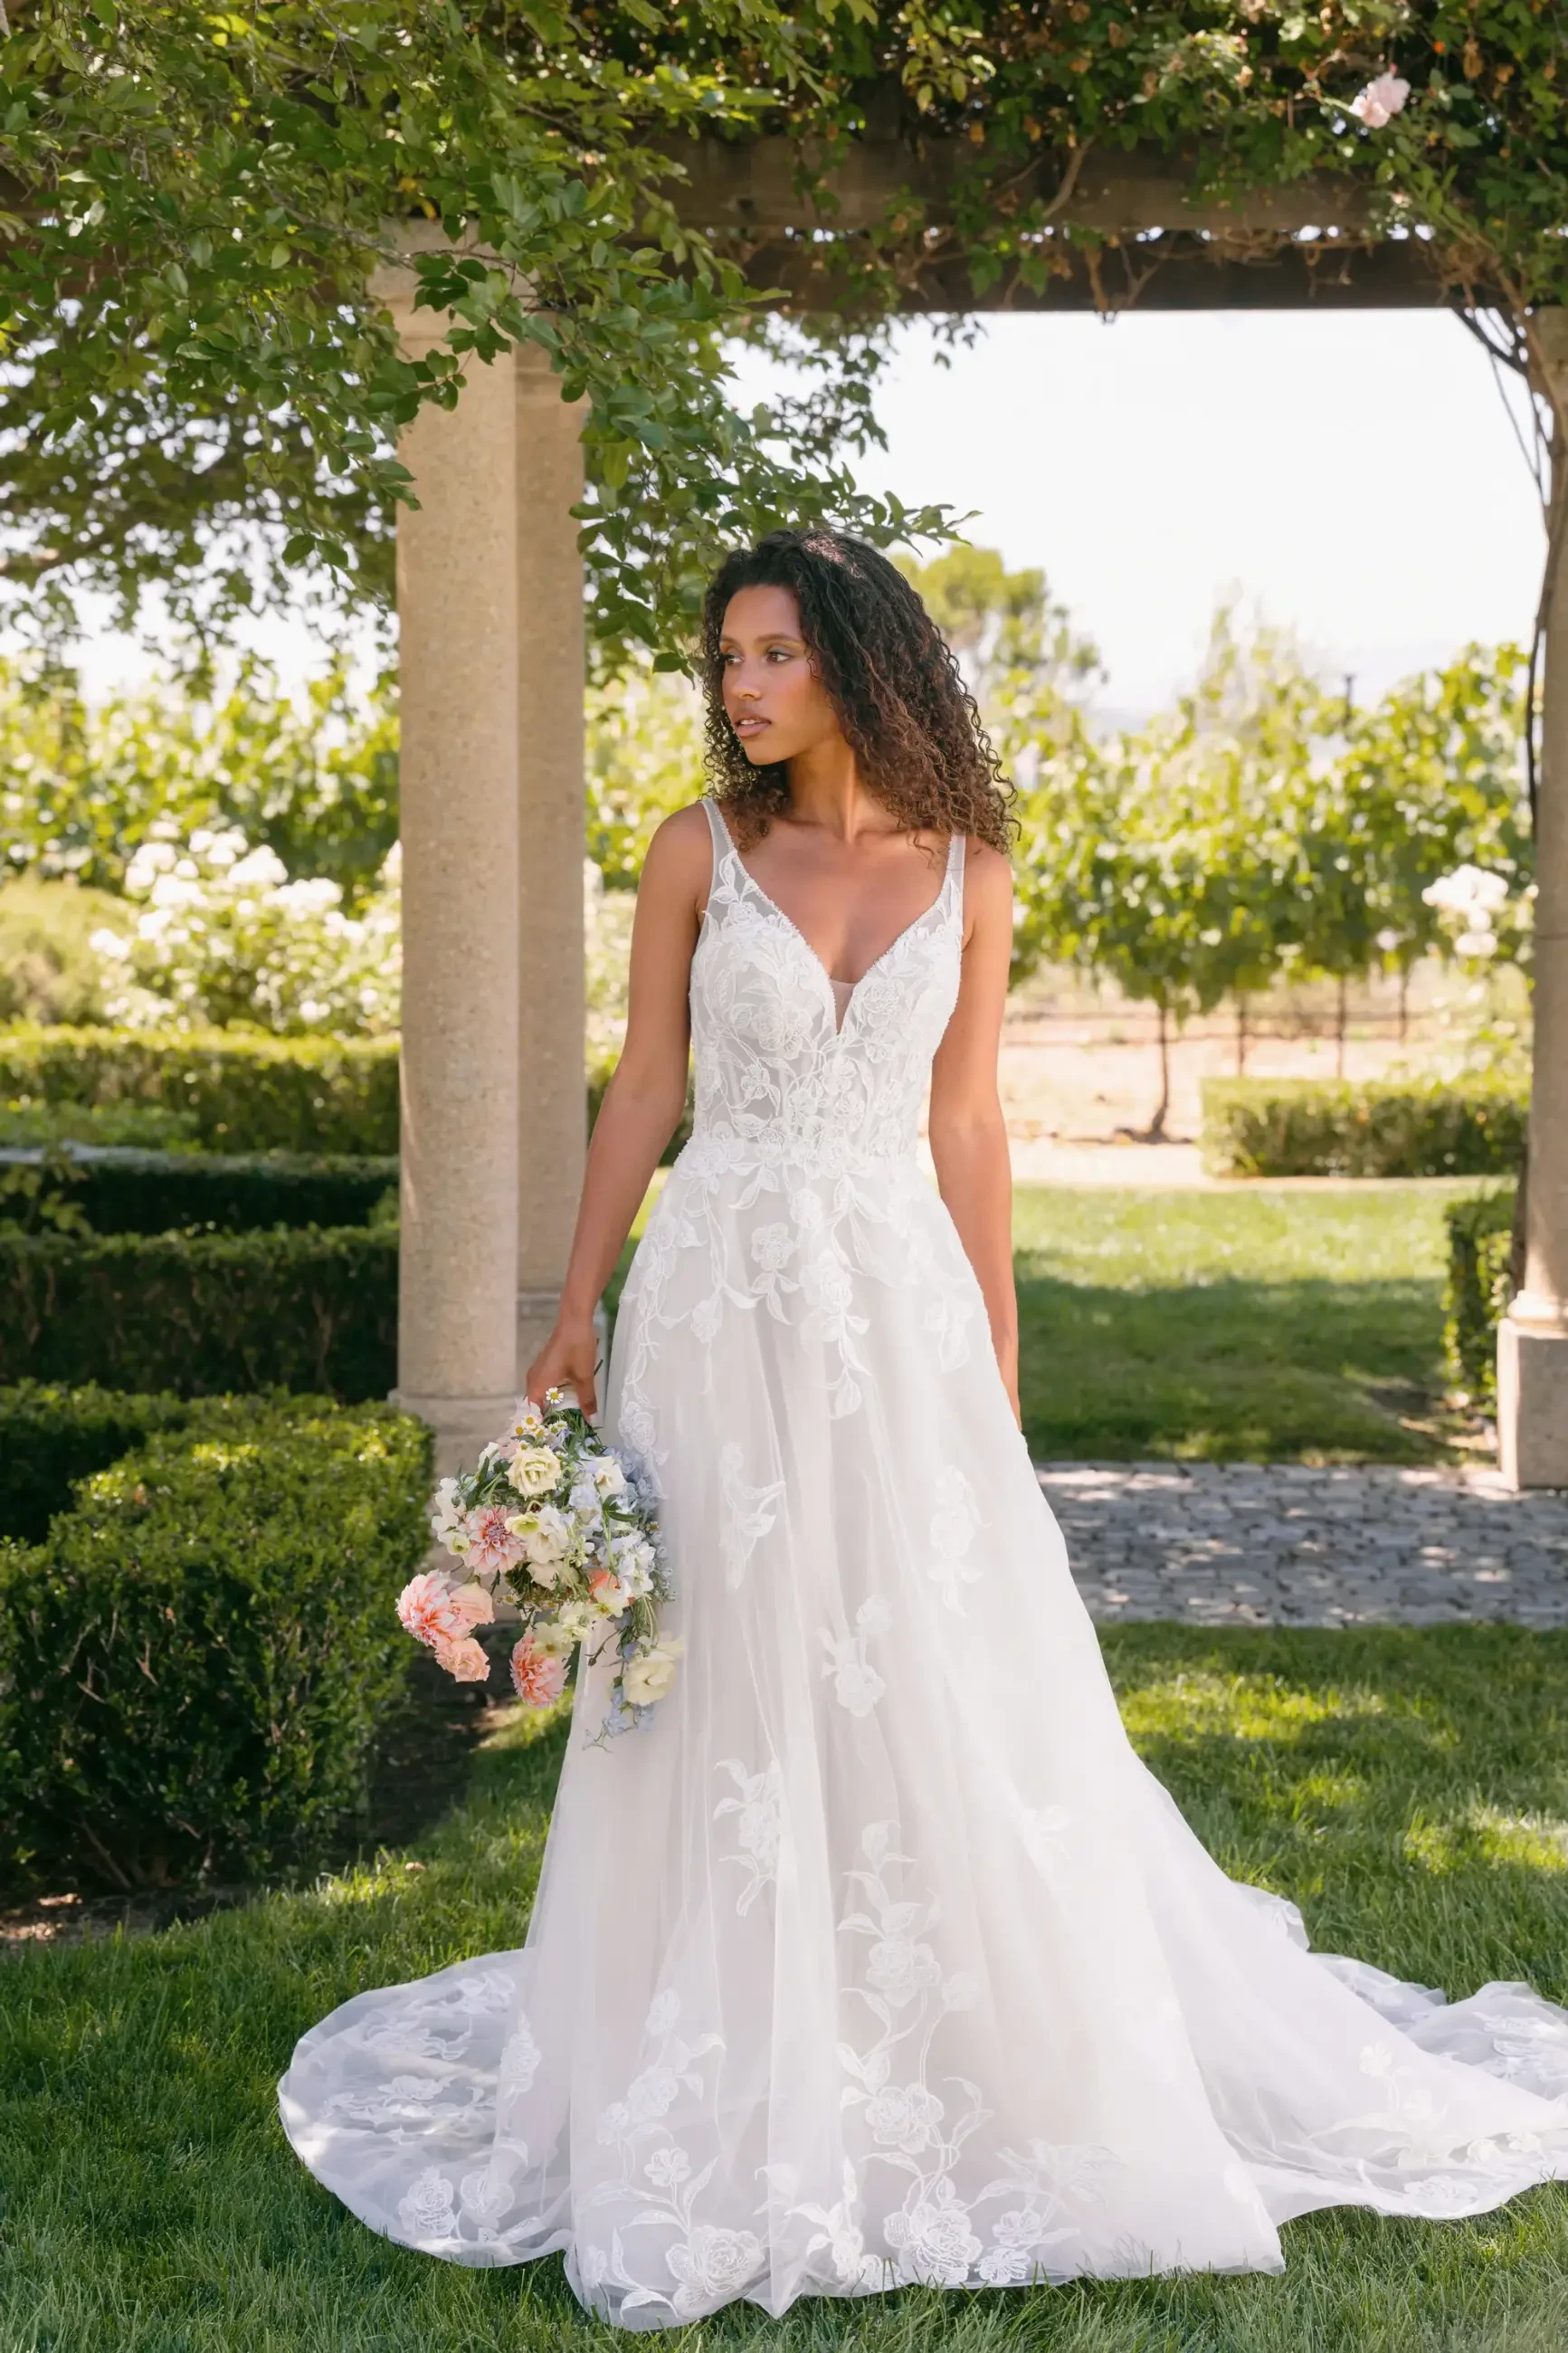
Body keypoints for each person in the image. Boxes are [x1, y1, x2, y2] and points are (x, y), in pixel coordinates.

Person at [280, 528, 1568, 2329]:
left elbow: (968, 1127)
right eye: (724, 656)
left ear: (858, 658)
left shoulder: (972, 870)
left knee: (918, 1658)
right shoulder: (692, 852)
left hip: (887, 1310)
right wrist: (569, 1308)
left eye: (772, 653)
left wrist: (995, 1358)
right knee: (713, 1655)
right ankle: (717, 2027)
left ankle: (940, 2029)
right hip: (716, 1296)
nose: (739, 686)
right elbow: (645, 1081)